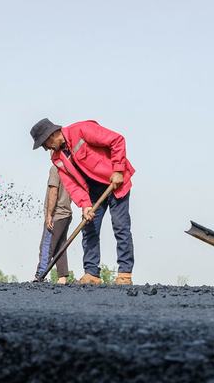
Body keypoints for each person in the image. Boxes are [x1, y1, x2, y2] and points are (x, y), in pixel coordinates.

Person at [29, 118, 135, 285]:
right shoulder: (57, 158)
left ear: (52, 135)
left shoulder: (82, 130)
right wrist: (85, 205)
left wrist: (118, 170)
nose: (46, 148)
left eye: (45, 144)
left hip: (115, 182)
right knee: (89, 228)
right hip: (92, 191)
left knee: (120, 227)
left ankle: (124, 273)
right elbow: (72, 184)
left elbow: (117, 140)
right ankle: (92, 273)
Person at [35, 167, 73, 284]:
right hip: (66, 214)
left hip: (56, 214)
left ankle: (40, 275)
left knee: (47, 245)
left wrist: (49, 214)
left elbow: (53, 191)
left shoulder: (55, 169)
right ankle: (62, 277)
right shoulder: (70, 168)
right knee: (60, 246)